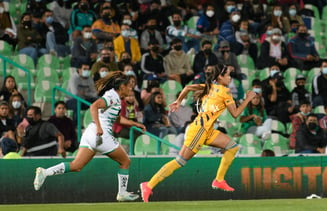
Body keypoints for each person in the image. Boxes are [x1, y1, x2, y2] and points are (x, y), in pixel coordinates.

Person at [140, 64, 256, 202]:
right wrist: (248, 98)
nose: (230, 78)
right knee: (180, 161)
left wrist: (178, 101)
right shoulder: (225, 92)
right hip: (199, 130)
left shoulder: (209, 87)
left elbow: (188, 87)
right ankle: (149, 185)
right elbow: (236, 114)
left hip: (207, 129)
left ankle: (219, 180)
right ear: (220, 77)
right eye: (228, 75)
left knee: (233, 146)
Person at [33, 72, 146, 201]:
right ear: (122, 87)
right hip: (101, 134)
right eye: (128, 86)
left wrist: (134, 123)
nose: (130, 89)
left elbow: (117, 119)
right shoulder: (112, 96)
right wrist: (99, 126)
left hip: (90, 133)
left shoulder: (115, 99)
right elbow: (94, 106)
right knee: (125, 161)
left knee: (76, 165)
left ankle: (45, 172)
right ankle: (122, 193)